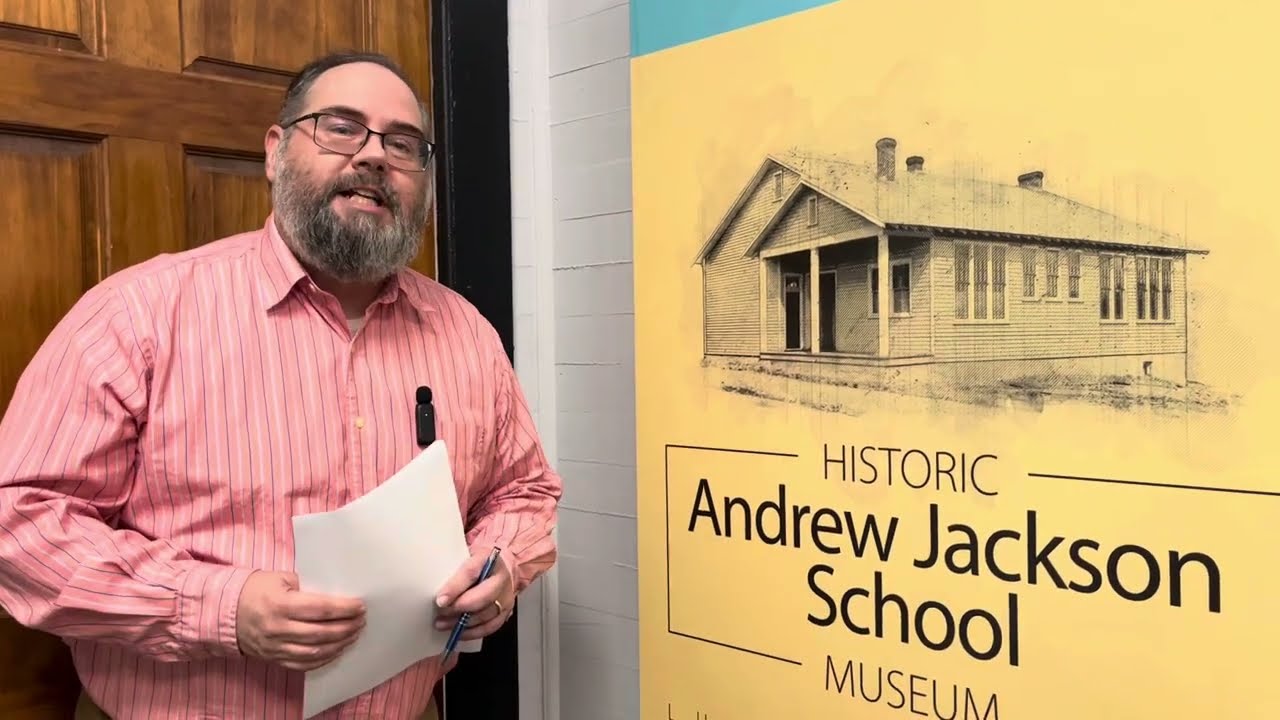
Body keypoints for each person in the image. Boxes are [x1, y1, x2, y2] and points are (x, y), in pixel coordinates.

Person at [0, 51, 561, 719]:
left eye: (403, 144)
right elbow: (19, 521)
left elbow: (524, 491)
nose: (374, 156)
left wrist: (498, 565)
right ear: (275, 151)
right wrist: (222, 608)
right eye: (341, 127)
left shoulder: (466, 332)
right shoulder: (139, 316)